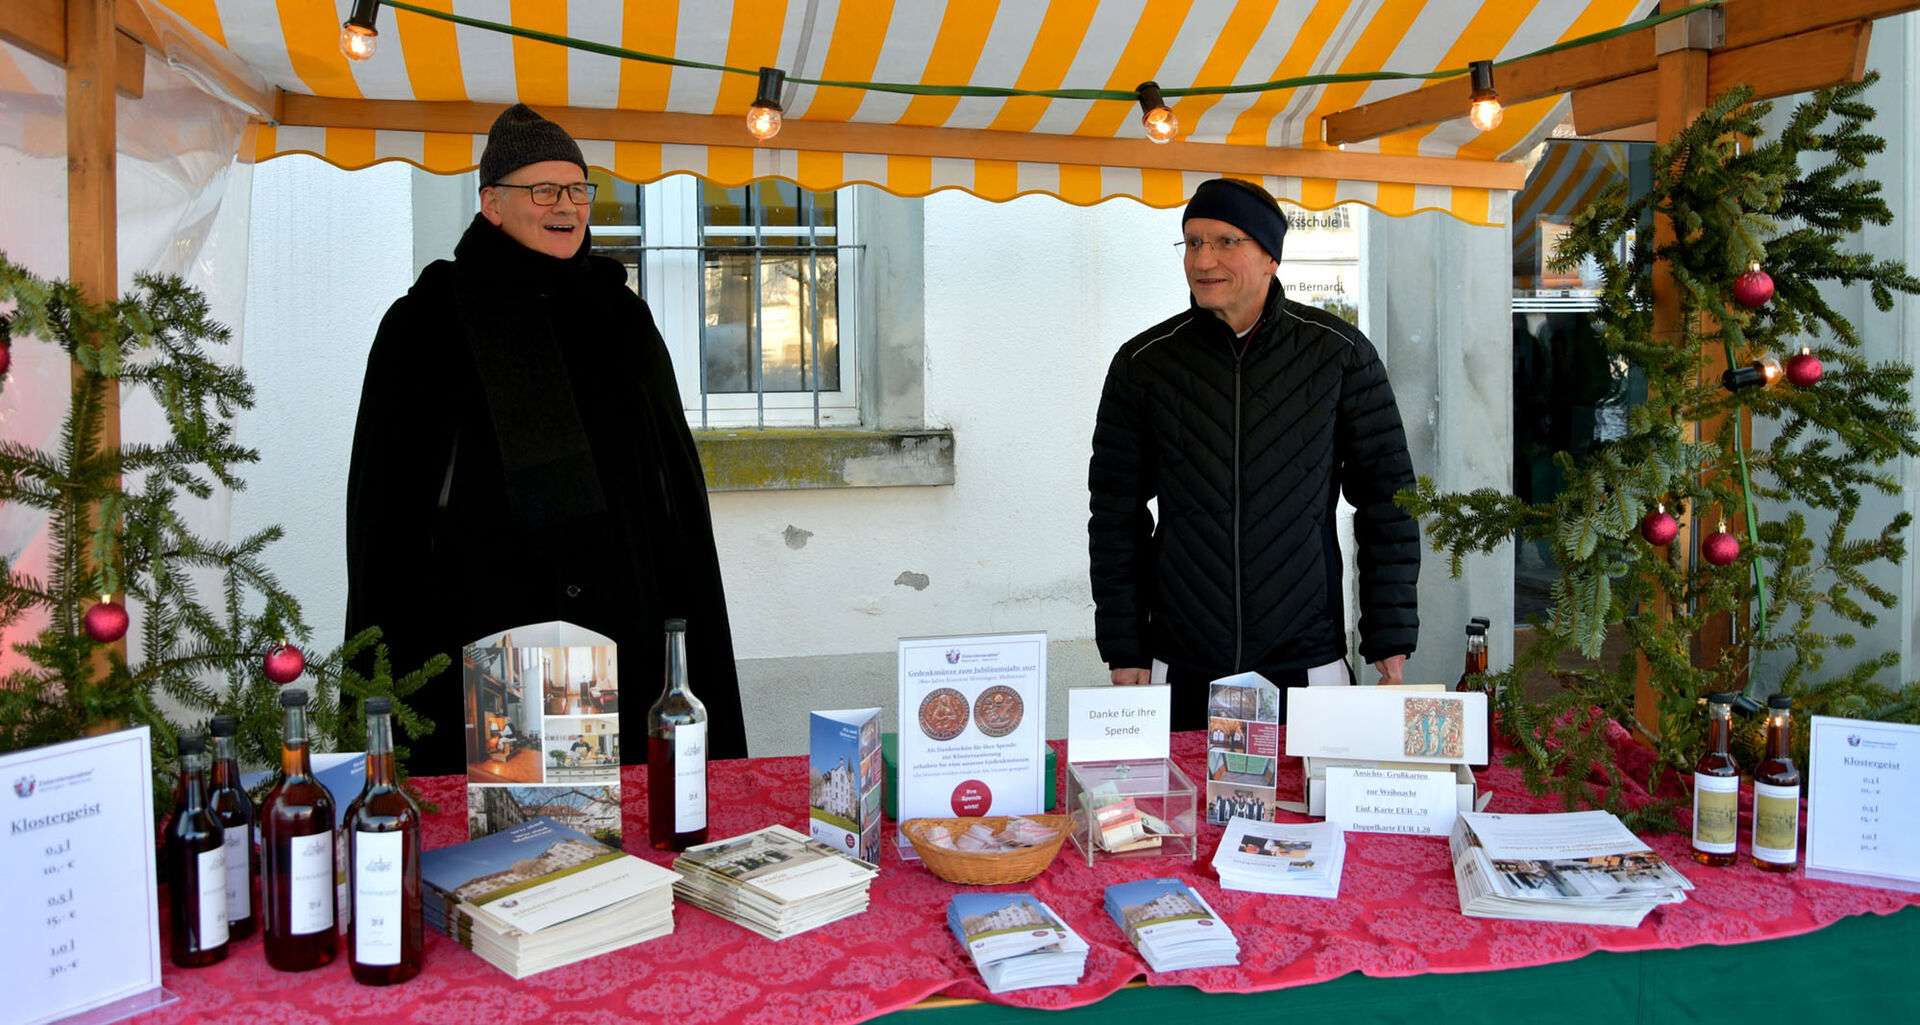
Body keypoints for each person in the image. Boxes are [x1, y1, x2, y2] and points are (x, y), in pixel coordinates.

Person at [345, 104, 749, 776]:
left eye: (577, 189)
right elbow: (386, 509)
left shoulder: (621, 317)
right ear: (492, 203)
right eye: (543, 190)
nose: (566, 206)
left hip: (621, 620)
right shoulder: (426, 323)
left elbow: (670, 482)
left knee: (615, 810)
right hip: (482, 623)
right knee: (507, 816)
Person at [1087, 177, 1420, 731]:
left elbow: (1389, 503)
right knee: (1181, 792)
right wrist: (1125, 645)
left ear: (1270, 257)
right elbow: (1115, 515)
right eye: (1193, 242)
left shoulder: (1339, 356)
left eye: (1226, 241)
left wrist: (1388, 633)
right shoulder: (1144, 364)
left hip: (1307, 662)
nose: (1204, 259)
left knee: (1310, 790)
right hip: (1183, 665)